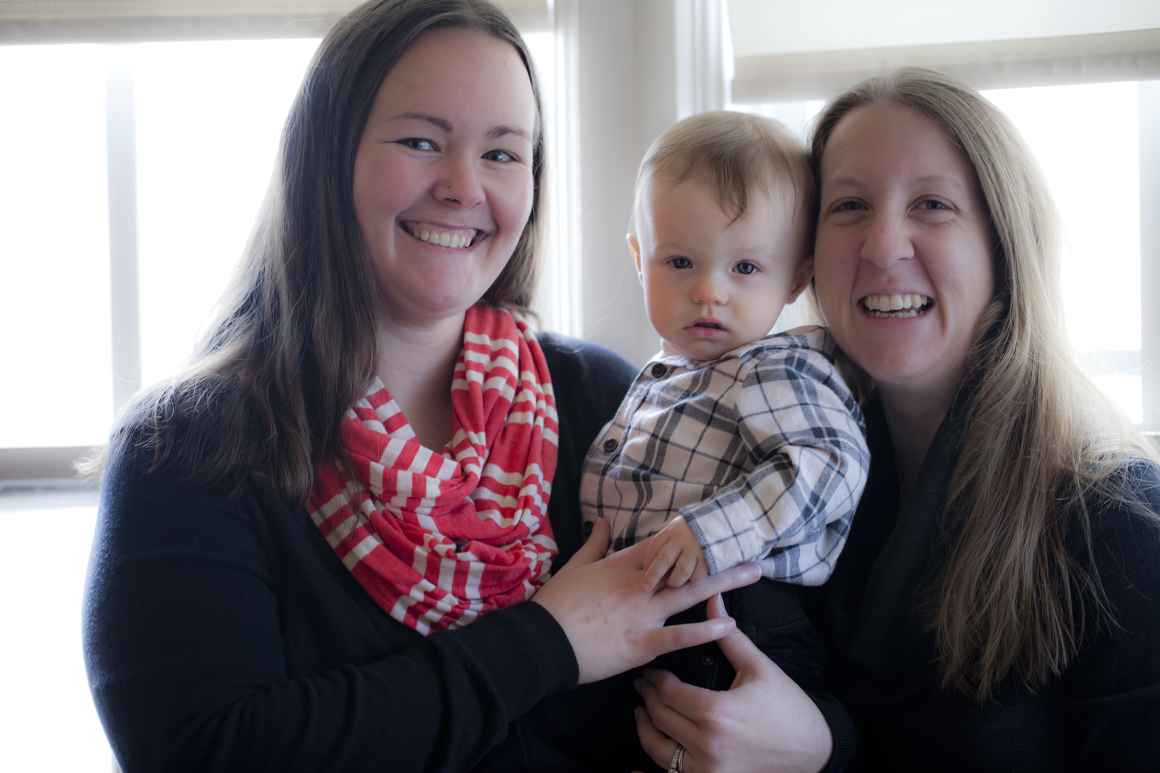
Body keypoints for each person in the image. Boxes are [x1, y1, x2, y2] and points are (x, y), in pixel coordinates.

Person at [81, 2, 761, 771]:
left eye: (503, 154)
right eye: (419, 141)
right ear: (328, 157)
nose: (463, 186)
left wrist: (820, 738)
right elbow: (205, 752)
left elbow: (741, 648)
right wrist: (550, 640)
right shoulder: (188, 447)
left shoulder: (607, 398)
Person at [631, 68, 1160, 773]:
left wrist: (821, 750)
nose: (883, 247)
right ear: (806, 257)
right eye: (849, 205)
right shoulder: (759, 472)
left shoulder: (1122, 523)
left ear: (1004, 248)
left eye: (933, 205)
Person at [579, 111, 869, 700]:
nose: (709, 290)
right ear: (640, 259)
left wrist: (711, 532)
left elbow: (832, 466)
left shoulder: (775, 367)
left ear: (793, 280)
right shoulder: (664, 378)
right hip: (657, 611)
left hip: (741, 616)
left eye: (745, 268)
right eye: (680, 262)